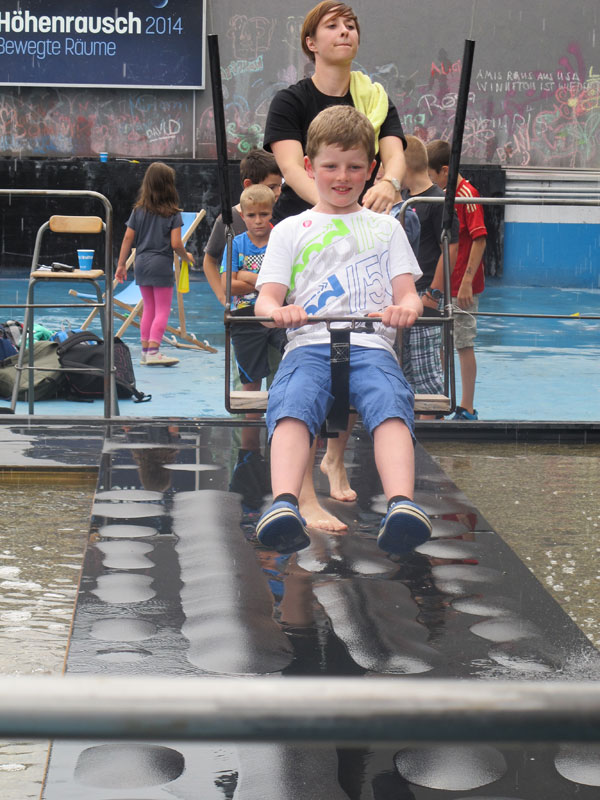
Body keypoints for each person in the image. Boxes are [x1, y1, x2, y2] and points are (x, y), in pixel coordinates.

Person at [253, 105, 432, 556]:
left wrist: (403, 310)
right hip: (309, 343)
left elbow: (408, 294)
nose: (342, 177)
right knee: (292, 401)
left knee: (390, 399)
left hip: (370, 343)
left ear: (371, 170)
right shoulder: (290, 230)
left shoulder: (386, 228)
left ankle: (401, 503)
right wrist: (280, 312)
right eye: (331, 166)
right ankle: (285, 502)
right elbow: (265, 301)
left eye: (354, 167)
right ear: (309, 166)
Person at [264, 0, 407, 531]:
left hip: (362, 222)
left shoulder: (373, 99)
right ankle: (299, 498)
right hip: (313, 225)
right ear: (312, 42)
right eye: (333, 25)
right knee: (305, 374)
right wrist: (335, 210)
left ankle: (336, 459)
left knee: (360, 354)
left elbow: (393, 153)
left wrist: (387, 184)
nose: (345, 31)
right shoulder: (292, 101)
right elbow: (292, 166)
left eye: (351, 25)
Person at [221, 184, 286, 450]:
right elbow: (228, 285)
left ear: (272, 212)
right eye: (252, 215)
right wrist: (266, 282)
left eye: (264, 214)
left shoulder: (281, 240)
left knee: (289, 368)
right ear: (243, 215)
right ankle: (249, 449)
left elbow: (288, 283)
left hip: (277, 313)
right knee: (251, 381)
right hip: (245, 316)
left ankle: (284, 435)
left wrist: (246, 276)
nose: (258, 220)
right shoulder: (236, 243)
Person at [426, 139, 487, 420]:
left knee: (463, 343)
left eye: (433, 176)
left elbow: (479, 239)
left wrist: (466, 282)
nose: (431, 182)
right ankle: (441, 401)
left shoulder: (466, 195)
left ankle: (467, 406)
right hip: (446, 283)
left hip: (462, 286)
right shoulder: (446, 194)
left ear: (445, 171)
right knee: (441, 344)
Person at [400, 135, 459, 418]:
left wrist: (434, 294)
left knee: (426, 370)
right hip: (404, 295)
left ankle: (431, 426)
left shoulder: (436, 201)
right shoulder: (404, 200)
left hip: (425, 294)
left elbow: (451, 248)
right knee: (404, 368)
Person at [116, 162, 194, 367]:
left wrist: (121, 264)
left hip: (141, 263)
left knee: (149, 307)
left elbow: (127, 238)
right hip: (161, 265)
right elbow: (176, 244)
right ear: (169, 186)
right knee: (162, 310)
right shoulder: (173, 214)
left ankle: (145, 351)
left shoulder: (138, 211)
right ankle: (153, 351)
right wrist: (186, 257)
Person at [203, 149, 282, 306]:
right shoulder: (227, 221)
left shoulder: (281, 219)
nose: (278, 192)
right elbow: (209, 260)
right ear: (248, 185)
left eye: (280, 186)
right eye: (272, 187)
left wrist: (245, 276)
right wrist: (222, 297)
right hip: (242, 309)